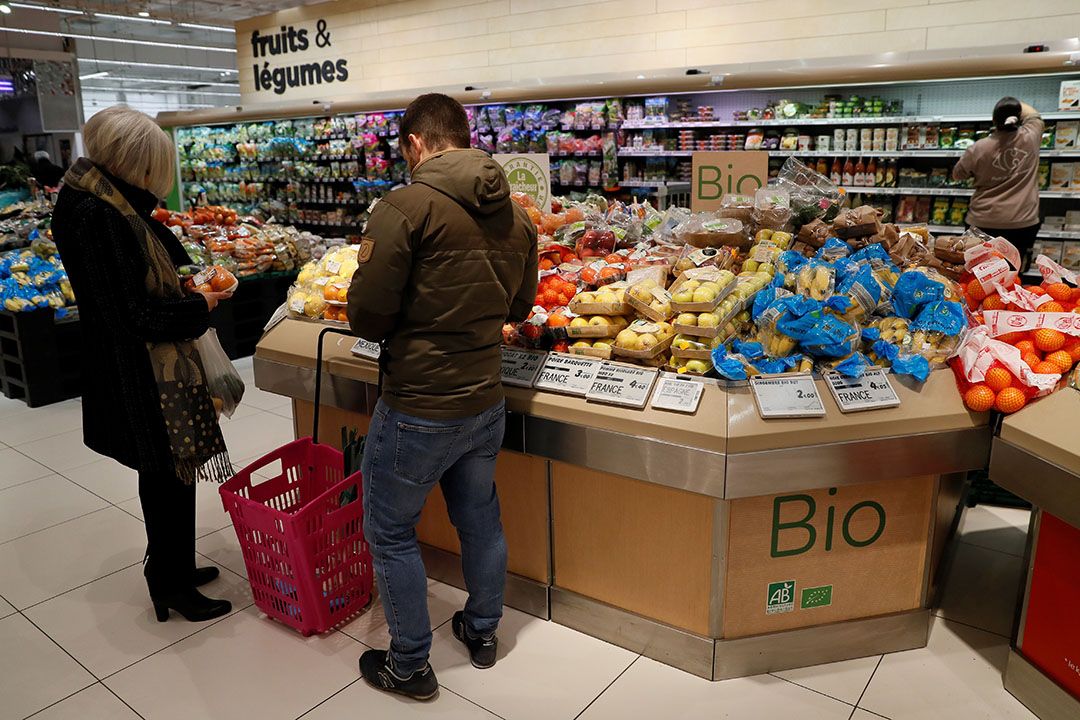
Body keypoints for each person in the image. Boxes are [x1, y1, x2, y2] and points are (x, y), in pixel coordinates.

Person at [347, 93, 538, 701]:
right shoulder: (517, 214)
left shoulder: (402, 208)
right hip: (485, 400)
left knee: (389, 528)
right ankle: (483, 632)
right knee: (479, 517)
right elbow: (520, 308)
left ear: (415, 143)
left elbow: (368, 316)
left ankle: (409, 663)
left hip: (419, 404)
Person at [51, 106, 235, 623]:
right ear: (135, 163)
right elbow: (131, 315)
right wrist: (199, 306)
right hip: (138, 373)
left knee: (167, 473)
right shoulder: (99, 216)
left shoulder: (100, 199)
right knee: (165, 472)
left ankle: (174, 565)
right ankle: (170, 580)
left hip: (136, 368)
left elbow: (140, 265)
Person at [953, 96, 1044, 269]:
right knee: (1013, 272)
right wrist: (1013, 104)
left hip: (983, 221)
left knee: (979, 273)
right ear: (1018, 117)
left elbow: (958, 175)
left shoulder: (978, 148)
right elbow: (1034, 114)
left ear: (994, 120)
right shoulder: (1031, 137)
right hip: (1022, 221)